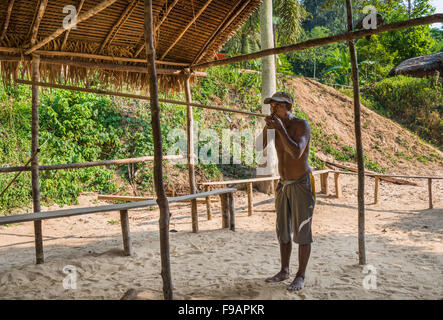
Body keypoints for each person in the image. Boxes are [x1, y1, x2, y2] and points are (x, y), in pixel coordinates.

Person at [257, 91, 316, 292]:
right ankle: (284, 270)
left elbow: (296, 152)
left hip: (301, 183)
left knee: (302, 231)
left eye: (278, 106)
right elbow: (257, 146)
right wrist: (268, 128)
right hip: (283, 184)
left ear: (288, 107)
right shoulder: (275, 127)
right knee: (283, 230)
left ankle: (300, 275)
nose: (274, 109)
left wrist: (280, 129)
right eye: (272, 105)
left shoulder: (301, 125)